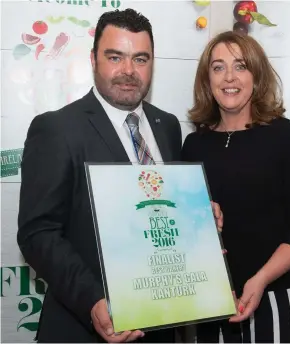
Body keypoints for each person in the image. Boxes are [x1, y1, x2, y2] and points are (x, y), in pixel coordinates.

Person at [17, 9, 223, 343]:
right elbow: (38, 233)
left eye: (141, 59)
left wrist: (197, 215)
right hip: (85, 328)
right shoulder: (57, 129)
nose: (128, 71)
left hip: (163, 326)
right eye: (116, 57)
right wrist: (92, 300)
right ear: (93, 59)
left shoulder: (167, 126)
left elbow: (162, 207)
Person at [181, 31, 290, 343]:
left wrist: (260, 280)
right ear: (207, 79)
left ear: (256, 76)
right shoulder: (193, 145)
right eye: (218, 67)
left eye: (240, 66)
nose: (229, 77)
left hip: (276, 297)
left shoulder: (287, 137)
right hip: (212, 303)